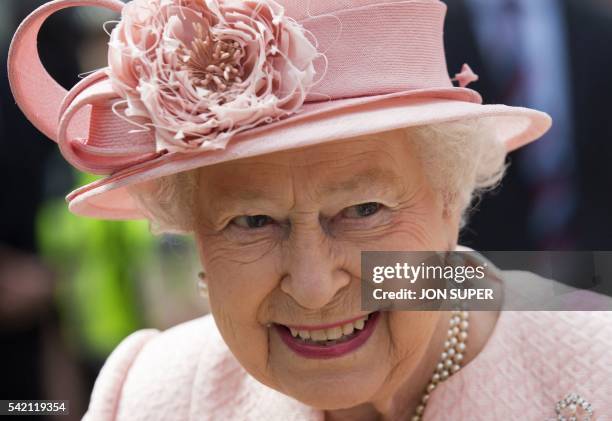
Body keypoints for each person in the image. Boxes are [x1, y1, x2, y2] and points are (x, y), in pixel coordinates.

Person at [7, 0, 612, 419]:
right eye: (251, 221)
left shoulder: (597, 368)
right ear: (193, 234)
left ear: (452, 198)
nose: (315, 285)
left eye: (363, 209)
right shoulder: (148, 395)